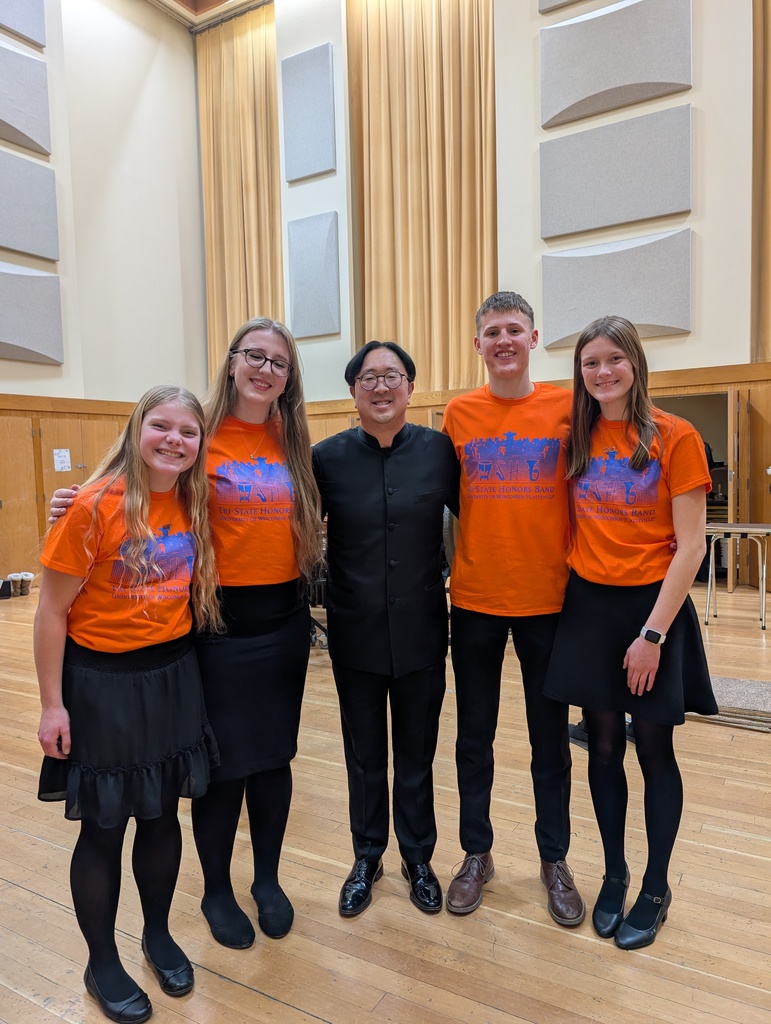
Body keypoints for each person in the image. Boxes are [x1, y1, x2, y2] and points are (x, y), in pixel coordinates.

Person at [50, 317, 323, 951]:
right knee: (221, 768)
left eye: (278, 361)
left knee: (275, 760)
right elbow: (141, 478)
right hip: (215, 625)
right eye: (253, 355)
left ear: (289, 377)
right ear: (231, 363)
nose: (264, 368)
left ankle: (269, 879)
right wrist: (78, 498)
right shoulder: (198, 429)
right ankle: (217, 890)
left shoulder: (294, 439)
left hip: (282, 625)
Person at [36, 386, 221, 1023]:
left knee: (163, 816)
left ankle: (159, 934)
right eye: (161, 427)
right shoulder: (91, 506)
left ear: (200, 444)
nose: (175, 440)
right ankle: (99, 958)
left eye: (188, 432)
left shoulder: (193, 502)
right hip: (102, 686)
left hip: (171, 677)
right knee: (105, 826)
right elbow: (51, 611)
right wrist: (52, 705)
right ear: (137, 429)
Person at [543, 316, 717, 950]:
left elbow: (691, 547)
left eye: (613, 359)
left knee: (653, 752)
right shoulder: (578, 437)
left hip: (652, 610)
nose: (602, 372)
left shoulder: (677, 436)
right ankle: (613, 873)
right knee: (605, 748)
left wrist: (653, 635)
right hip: (590, 606)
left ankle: (655, 885)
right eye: (590, 362)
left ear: (635, 364)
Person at [441, 291, 584, 925]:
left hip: (548, 602)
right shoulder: (457, 415)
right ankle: (477, 853)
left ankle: (554, 858)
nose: (503, 340)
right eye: (492, 331)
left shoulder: (567, 405)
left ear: (533, 338)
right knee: (473, 737)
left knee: (550, 740)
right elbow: (447, 502)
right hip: (473, 600)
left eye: (514, 330)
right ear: (478, 344)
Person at [312, 341, 459, 916]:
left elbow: (487, 518)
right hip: (356, 633)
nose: (380, 386)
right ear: (353, 391)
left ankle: (418, 857)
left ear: (410, 388)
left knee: (418, 754)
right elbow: (287, 524)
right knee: (365, 755)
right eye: (368, 377)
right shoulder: (325, 458)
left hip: (424, 629)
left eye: (391, 375)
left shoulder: (442, 452)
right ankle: (367, 855)